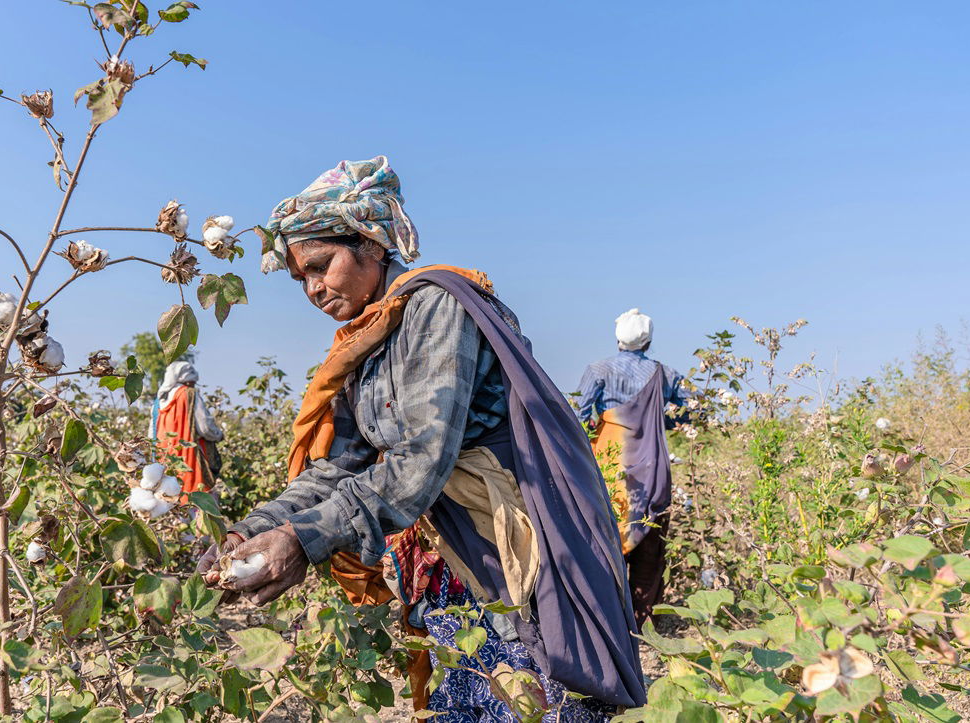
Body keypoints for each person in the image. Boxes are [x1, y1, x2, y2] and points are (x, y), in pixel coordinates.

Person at [198, 156, 644, 720]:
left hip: (512, 545)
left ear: (372, 244)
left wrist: (302, 539)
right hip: (451, 554)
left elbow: (419, 463)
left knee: (532, 688)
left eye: (320, 265)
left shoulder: (436, 307)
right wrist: (253, 529)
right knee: (472, 687)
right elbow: (341, 466)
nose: (312, 288)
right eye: (300, 278)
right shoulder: (370, 341)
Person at [573, 308, 686, 626]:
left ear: (618, 338)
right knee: (650, 542)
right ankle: (640, 622)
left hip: (610, 463)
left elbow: (580, 417)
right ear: (648, 341)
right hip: (652, 466)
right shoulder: (665, 374)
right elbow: (692, 410)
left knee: (605, 534)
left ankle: (605, 617)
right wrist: (657, 422)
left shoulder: (598, 370)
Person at [151, 361, 224, 497]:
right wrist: (218, 435)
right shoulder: (189, 394)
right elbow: (205, 427)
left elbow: (152, 434)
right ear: (187, 381)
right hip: (189, 459)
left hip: (165, 459)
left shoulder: (158, 402)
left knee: (169, 499)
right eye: (192, 382)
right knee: (197, 501)